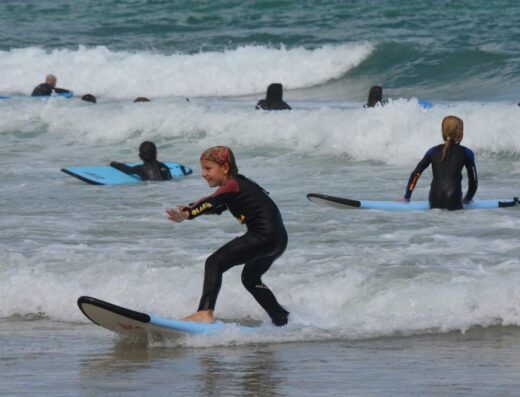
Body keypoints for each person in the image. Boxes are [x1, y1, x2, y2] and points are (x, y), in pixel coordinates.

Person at [166, 146, 289, 326]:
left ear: (224, 167)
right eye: (203, 169)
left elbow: (211, 201)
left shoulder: (232, 184)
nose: (203, 174)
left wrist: (187, 214)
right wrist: (189, 208)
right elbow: (217, 206)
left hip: (262, 236)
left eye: (208, 168)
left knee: (214, 263)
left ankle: (205, 312)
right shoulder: (239, 185)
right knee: (251, 279)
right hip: (278, 240)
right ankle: (281, 319)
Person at [404, 115, 478, 210]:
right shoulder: (467, 152)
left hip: (435, 199)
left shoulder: (432, 151)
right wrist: (467, 200)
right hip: (454, 199)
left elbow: (415, 174)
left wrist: (407, 197)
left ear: (443, 131)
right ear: (460, 132)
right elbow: (474, 183)